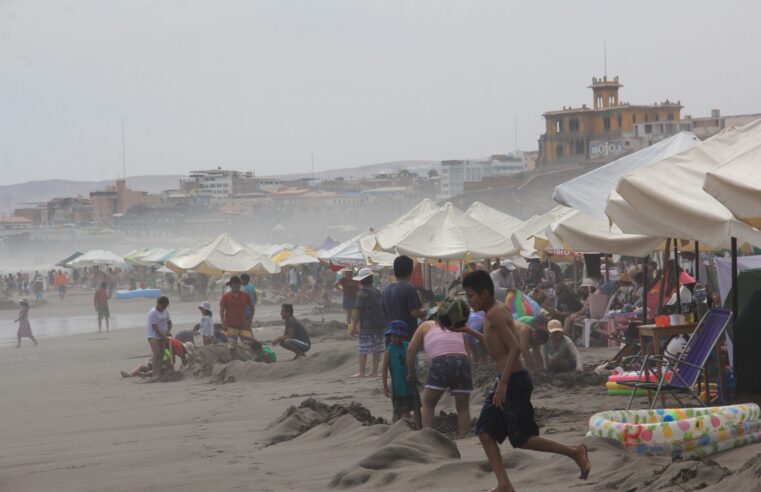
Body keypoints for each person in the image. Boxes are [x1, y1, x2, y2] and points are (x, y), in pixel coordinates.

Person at [460, 270, 590, 491]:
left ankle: (575, 451)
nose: (469, 301)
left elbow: (514, 349)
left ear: (484, 293)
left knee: (523, 439)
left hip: (513, 380)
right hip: (504, 378)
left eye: (470, 296)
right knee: (485, 431)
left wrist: (503, 385)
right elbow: (497, 348)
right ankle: (504, 484)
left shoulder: (495, 314)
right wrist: (468, 331)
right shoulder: (494, 311)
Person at [406, 298, 473, 439]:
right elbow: (468, 353)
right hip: (462, 361)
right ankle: (464, 437)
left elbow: (411, 350)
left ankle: (428, 436)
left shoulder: (425, 326)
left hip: (441, 362)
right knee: (463, 408)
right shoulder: (457, 327)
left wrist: (411, 373)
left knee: (428, 404)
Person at [351, 267, 386, 377]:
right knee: (377, 349)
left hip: (366, 326)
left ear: (361, 280)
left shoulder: (362, 293)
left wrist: (353, 326)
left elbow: (357, 310)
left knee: (363, 350)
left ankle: (361, 372)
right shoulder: (377, 292)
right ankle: (374, 371)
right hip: (379, 325)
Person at [382, 256, 426, 338]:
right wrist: (425, 311)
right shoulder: (409, 288)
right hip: (406, 336)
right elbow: (415, 313)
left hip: (390, 335)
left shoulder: (386, 289)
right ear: (411, 271)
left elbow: (383, 312)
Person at [382, 320, 416, 424]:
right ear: (390, 335)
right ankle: (397, 430)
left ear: (404, 336)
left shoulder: (408, 346)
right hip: (397, 387)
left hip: (409, 385)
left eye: (399, 336)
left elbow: (414, 364)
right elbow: (384, 368)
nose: (396, 339)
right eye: (394, 336)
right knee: (398, 412)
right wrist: (385, 386)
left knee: (410, 409)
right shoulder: (389, 350)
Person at [219, 276, 255, 357]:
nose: (236, 286)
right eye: (234, 284)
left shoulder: (245, 296)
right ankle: (235, 361)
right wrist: (223, 322)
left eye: (237, 284)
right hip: (231, 325)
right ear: (231, 285)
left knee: (249, 344)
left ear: (240, 285)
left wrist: (250, 320)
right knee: (232, 347)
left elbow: (252, 308)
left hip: (243, 325)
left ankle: (251, 360)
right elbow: (221, 310)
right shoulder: (226, 297)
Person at [121, 338, 190, 378]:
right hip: (163, 350)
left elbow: (171, 355)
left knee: (150, 366)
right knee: (163, 368)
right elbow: (183, 360)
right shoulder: (180, 347)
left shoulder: (176, 344)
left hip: (157, 348)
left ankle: (130, 374)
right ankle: (144, 374)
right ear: (186, 349)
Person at [146, 296, 173, 382]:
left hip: (163, 336)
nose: (164, 308)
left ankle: (158, 372)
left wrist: (168, 331)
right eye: (163, 306)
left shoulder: (165, 311)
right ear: (159, 304)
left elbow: (169, 323)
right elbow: (155, 327)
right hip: (153, 336)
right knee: (156, 354)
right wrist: (163, 336)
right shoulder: (153, 313)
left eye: (166, 306)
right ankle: (155, 374)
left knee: (162, 355)